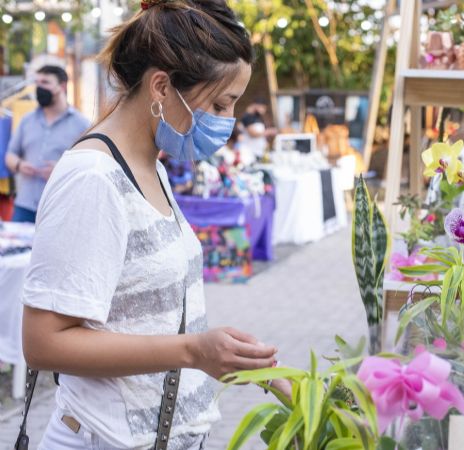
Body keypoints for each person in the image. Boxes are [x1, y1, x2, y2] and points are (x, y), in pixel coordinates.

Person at [20, 1, 288, 448]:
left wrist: (252, 366)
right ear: (161, 86)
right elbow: (45, 343)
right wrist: (194, 351)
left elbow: (147, 313)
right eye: (220, 103)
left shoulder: (151, 168)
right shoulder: (93, 179)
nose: (226, 121)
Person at [4, 65, 90, 223]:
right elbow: (10, 154)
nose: (39, 87)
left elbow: (90, 167)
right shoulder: (26, 120)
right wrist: (19, 165)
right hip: (24, 206)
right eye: (37, 82)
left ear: (62, 86)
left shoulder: (83, 125)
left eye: (45, 82)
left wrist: (62, 170)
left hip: (61, 208)